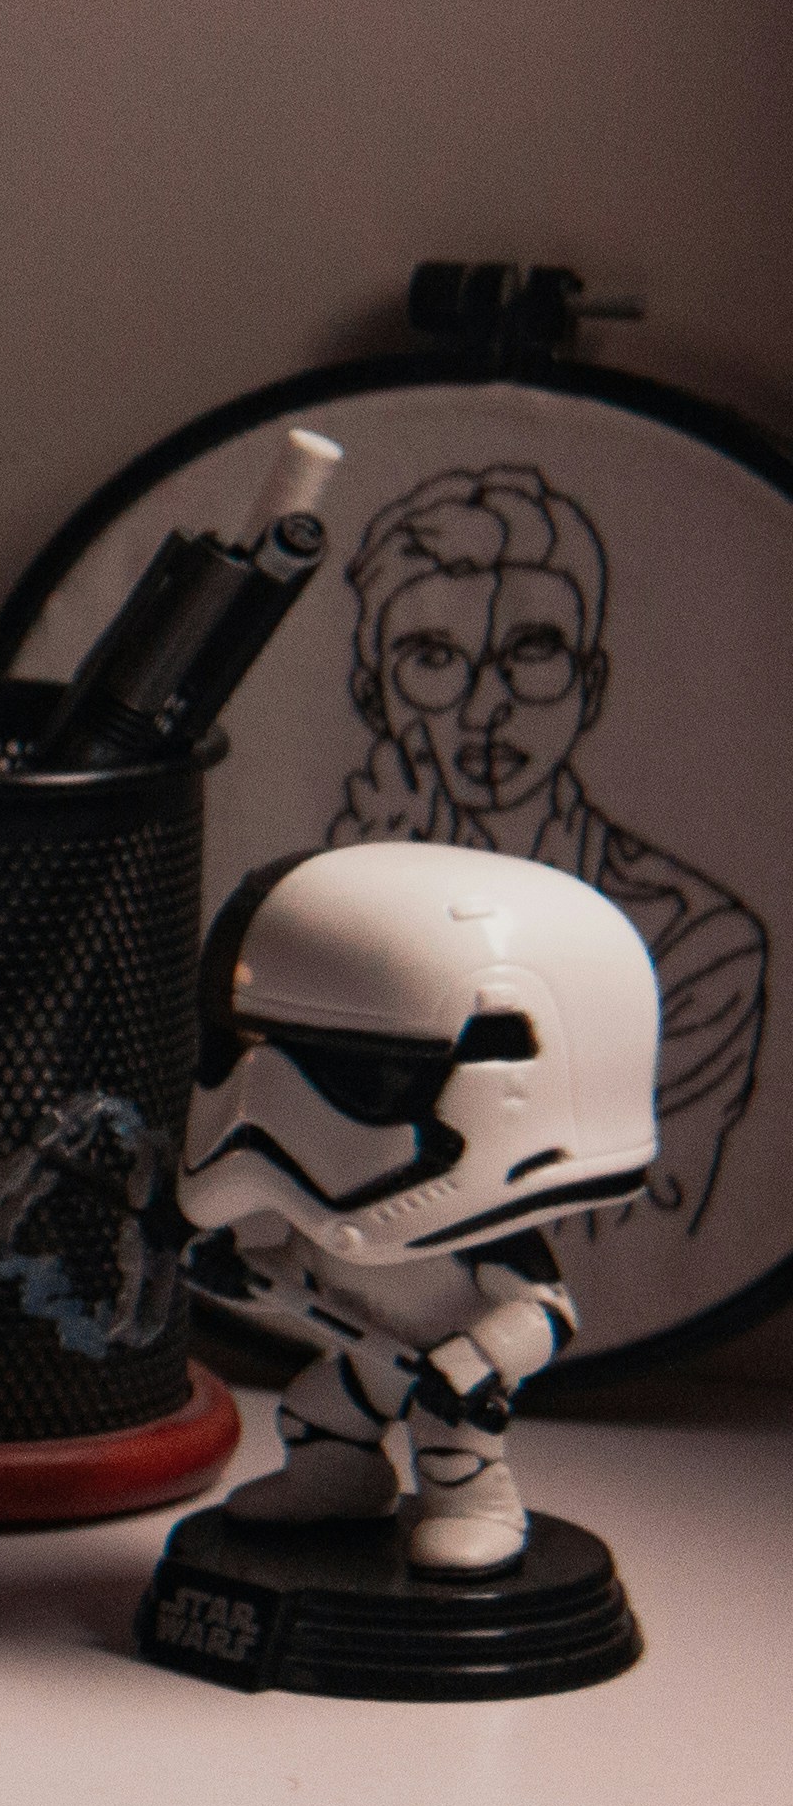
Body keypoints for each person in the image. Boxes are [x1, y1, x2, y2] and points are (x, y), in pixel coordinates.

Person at [180, 842, 660, 1574]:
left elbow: (547, 1313)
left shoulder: (472, 1238)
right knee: (315, 1415)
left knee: (452, 1453)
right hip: (367, 1364)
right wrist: (244, 1272)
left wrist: (475, 1361)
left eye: (357, 1078)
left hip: (445, 1376)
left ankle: (479, 1509)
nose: (282, 1112)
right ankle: (339, 1484)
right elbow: (304, 1271)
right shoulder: (328, 1204)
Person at [327, 463, 765, 1226]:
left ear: (589, 686)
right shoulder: (306, 910)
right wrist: (349, 930)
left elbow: (625, 1232)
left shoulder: (698, 944)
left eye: (530, 654)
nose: (486, 707)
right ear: (374, 700)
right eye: (434, 659)